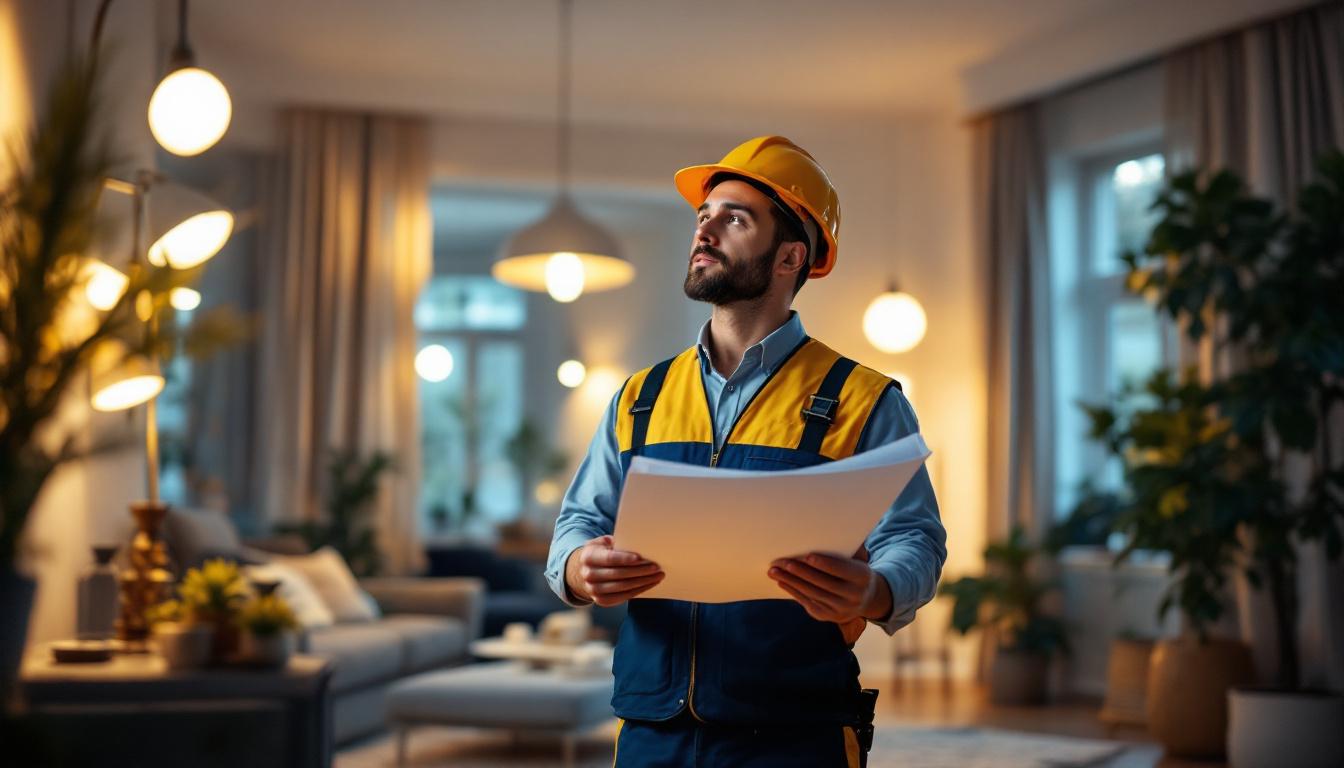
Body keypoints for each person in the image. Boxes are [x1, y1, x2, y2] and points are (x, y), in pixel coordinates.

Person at [544, 136, 947, 767]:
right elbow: (578, 522)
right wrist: (577, 567)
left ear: (791, 256)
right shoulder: (640, 397)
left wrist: (874, 590)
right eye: (703, 217)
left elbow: (915, 538)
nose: (704, 232)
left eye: (734, 219)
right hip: (652, 730)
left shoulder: (864, 400)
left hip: (795, 734)